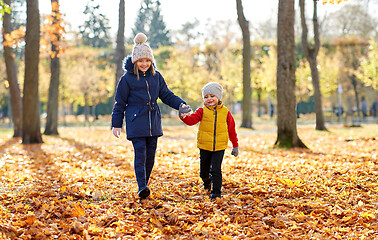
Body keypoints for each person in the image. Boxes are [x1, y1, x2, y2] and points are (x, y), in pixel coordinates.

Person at [111, 33, 192, 200]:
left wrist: (181, 105)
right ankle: (141, 186)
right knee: (140, 154)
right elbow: (120, 103)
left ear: (151, 61)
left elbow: (167, 95)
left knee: (150, 157)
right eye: (141, 61)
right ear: (135, 61)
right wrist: (116, 124)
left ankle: (144, 186)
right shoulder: (127, 79)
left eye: (147, 60)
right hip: (136, 122)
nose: (144, 64)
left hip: (153, 122)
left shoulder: (157, 76)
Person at [179, 82, 239, 200]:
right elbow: (191, 121)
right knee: (204, 172)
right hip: (205, 146)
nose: (209, 99)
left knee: (216, 169)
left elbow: (231, 130)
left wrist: (235, 145)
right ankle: (207, 181)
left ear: (218, 97)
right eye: (206, 97)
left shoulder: (226, 112)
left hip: (220, 147)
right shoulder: (202, 111)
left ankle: (216, 193)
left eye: (212, 96)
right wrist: (183, 116)